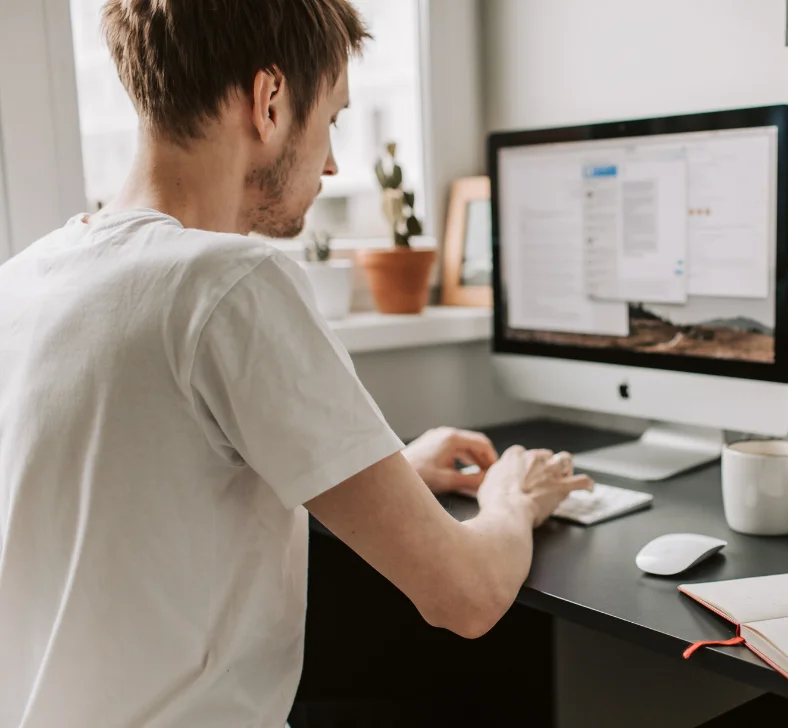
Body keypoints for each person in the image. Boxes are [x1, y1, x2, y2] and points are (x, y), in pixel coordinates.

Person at [0, 1, 593, 726]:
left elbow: (147, 512)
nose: (336, 161)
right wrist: (511, 500)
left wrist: (391, 470)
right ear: (270, 101)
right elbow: (467, 597)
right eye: (334, 118)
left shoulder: (25, 280)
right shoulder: (230, 283)